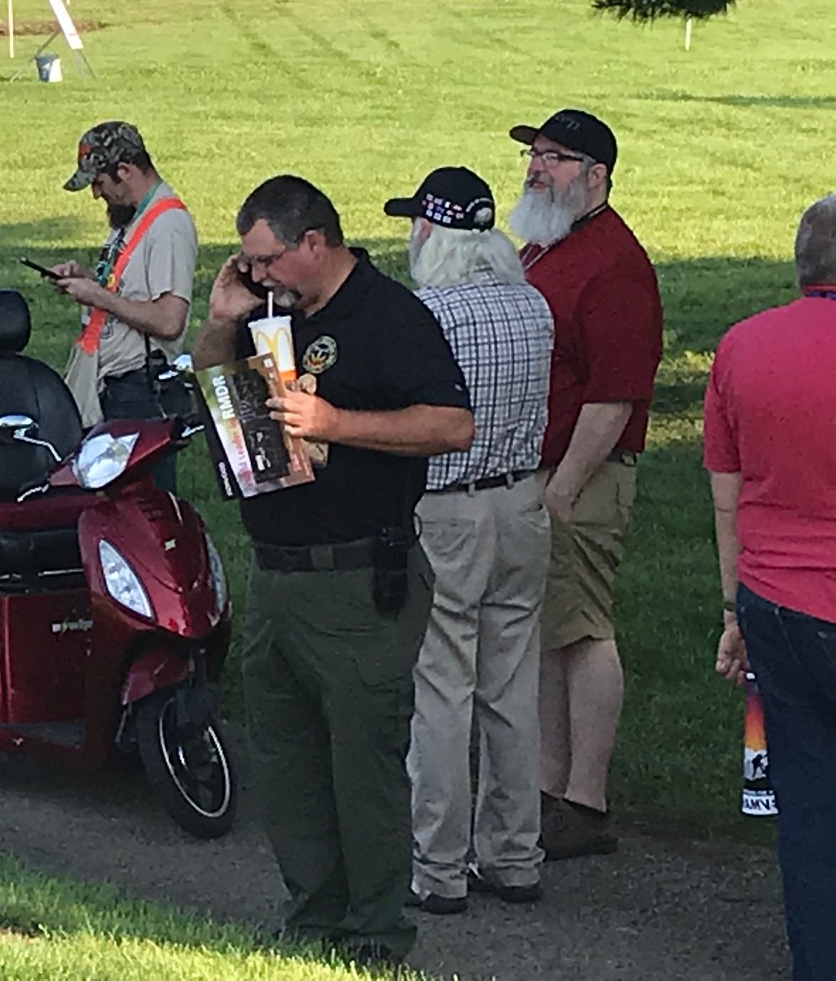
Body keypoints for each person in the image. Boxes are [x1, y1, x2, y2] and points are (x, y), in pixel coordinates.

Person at [191, 175, 472, 965]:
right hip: (276, 570)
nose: (258, 274)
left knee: (363, 763)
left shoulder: (388, 316)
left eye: (267, 259)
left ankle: (377, 929)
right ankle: (313, 914)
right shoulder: (269, 314)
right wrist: (222, 322)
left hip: (355, 575)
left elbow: (452, 424)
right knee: (286, 759)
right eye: (247, 264)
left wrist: (335, 423)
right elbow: (215, 393)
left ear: (315, 243)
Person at [388, 167, 556, 911]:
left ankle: (440, 868)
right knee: (513, 687)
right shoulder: (534, 304)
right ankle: (516, 857)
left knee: (443, 690)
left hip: (450, 508)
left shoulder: (429, 314)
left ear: (428, 232)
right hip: (524, 501)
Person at [506, 108, 662, 859]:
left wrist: (565, 486)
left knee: (585, 629)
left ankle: (585, 799)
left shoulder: (615, 264)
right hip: (546, 467)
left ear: (596, 176)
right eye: (535, 155)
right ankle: (547, 786)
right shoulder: (546, 246)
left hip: (583, 473)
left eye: (555, 158)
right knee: (549, 631)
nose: (537, 168)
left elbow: (617, 393)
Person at [706, 194, 836, 981]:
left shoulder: (742, 347)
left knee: (810, 813)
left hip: (777, 602)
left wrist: (733, 612)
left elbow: (727, 491)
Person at [47, 122, 199, 486]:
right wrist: (86, 281)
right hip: (116, 390)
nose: (96, 194)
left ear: (126, 171)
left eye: (99, 182)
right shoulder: (131, 218)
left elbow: (169, 320)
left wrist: (98, 296)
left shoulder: (169, 225)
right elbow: (128, 294)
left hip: (142, 394)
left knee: (144, 508)